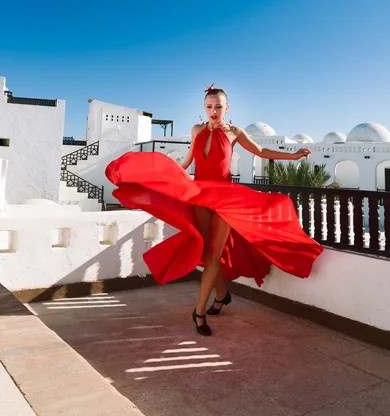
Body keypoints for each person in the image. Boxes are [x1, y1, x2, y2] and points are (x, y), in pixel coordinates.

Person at [105, 85, 323, 337]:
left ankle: (198, 312)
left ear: (226, 108)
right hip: (199, 197)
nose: (213, 111)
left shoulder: (234, 133)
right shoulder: (197, 130)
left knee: (211, 257)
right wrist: (156, 175)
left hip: (225, 201)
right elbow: (187, 163)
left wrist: (294, 156)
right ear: (204, 108)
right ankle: (222, 295)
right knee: (208, 253)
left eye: (218, 106)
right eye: (209, 107)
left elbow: (261, 152)